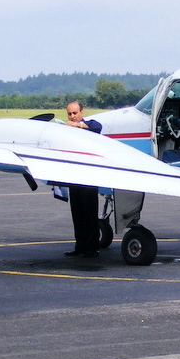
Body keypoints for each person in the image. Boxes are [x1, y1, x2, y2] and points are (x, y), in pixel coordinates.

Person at [63, 101, 103, 257]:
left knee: (89, 212)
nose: (72, 116)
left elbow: (97, 126)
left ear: (81, 112)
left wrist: (78, 126)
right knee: (77, 212)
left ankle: (92, 247)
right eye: (70, 114)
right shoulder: (67, 129)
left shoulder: (89, 126)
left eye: (75, 113)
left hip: (89, 176)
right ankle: (80, 245)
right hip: (74, 175)